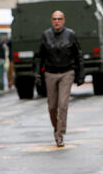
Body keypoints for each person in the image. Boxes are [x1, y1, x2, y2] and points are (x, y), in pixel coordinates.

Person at [35, 11, 84, 147]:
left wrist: (81, 74)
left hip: (66, 72)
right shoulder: (46, 35)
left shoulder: (70, 35)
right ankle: (56, 128)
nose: (57, 21)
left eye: (60, 19)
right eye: (55, 19)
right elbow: (40, 56)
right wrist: (37, 74)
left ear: (64, 21)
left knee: (63, 104)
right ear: (51, 21)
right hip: (50, 73)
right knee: (52, 106)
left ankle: (60, 134)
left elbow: (78, 55)